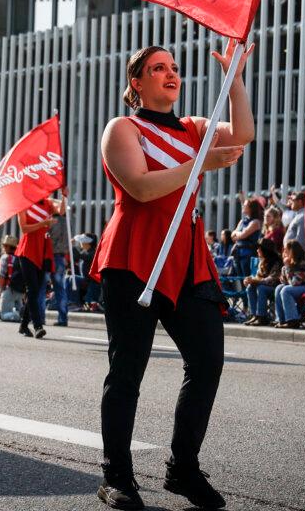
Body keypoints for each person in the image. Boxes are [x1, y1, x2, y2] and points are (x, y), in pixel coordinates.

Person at [92, 43, 252, 510]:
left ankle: (183, 469)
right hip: (134, 257)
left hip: (186, 258)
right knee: (127, 372)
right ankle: (117, 477)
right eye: (157, 68)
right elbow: (140, 188)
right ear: (137, 83)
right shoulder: (122, 128)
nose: (170, 74)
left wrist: (236, 76)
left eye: (175, 68)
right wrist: (199, 164)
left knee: (207, 363)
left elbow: (242, 132)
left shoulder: (195, 128)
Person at [15, 194, 64, 339]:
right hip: (27, 250)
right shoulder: (23, 204)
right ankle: (37, 326)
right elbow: (24, 228)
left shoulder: (48, 203)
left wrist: (64, 195)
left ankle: (24, 325)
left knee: (35, 292)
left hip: (42, 250)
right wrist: (43, 224)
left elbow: (61, 211)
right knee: (33, 289)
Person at [273, 240, 305, 328]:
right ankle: (282, 320)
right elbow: (283, 282)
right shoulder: (291, 264)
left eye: (287, 250)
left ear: (293, 251)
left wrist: (287, 267)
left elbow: (295, 283)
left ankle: (292, 321)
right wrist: (285, 267)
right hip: (302, 286)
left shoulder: (303, 263)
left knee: (285, 290)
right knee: (279, 288)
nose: (285, 252)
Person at [242, 238, 281, 326]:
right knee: (250, 287)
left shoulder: (277, 261)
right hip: (265, 285)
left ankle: (262, 316)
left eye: (259, 248)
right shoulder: (262, 262)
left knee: (261, 288)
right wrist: (249, 280)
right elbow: (258, 276)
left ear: (265, 250)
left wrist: (256, 280)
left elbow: (272, 279)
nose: (257, 250)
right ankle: (254, 315)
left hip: (275, 287)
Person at [49, 199, 72, 327]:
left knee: (41, 287)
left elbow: (51, 239)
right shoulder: (67, 222)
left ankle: (39, 316)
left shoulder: (53, 221)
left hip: (52, 256)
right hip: (62, 257)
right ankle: (63, 317)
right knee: (60, 289)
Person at [230, 199, 262, 279]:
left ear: (251, 208)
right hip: (238, 253)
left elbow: (243, 235)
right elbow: (232, 235)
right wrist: (238, 234)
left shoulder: (255, 222)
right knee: (239, 277)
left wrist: (237, 233)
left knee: (247, 277)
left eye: (245, 205)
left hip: (248, 253)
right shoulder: (242, 221)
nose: (243, 206)